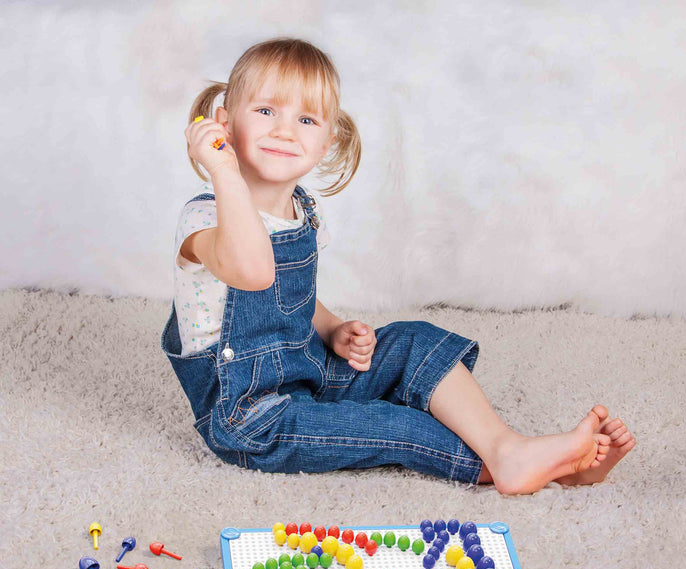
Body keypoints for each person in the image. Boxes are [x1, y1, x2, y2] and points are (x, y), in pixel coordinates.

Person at [161, 37, 636, 495]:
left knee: (412, 341)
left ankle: (507, 448)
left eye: (305, 119)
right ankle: (512, 468)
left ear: (326, 142)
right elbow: (253, 272)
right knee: (387, 425)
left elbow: (289, 298)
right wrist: (222, 169)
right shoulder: (204, 219)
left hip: (307, 371)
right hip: (252, 417)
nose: (284, 130)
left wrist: (332, 329)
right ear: (224, 124)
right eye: (266, 111)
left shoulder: (302, 209)